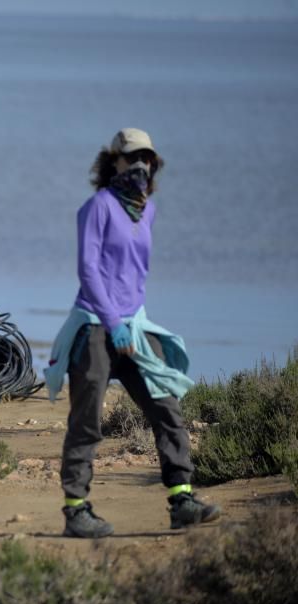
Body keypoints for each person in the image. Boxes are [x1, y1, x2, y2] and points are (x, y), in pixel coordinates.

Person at [45, 128, 221, 538]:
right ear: (114, 162)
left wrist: (132, 322)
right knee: (86, 422)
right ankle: (76, 511)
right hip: (94, 327)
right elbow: (88, 271)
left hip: (135, 328)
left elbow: (134, 275)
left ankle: (182, 500)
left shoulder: (148, 211)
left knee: (166, 408)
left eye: (148, 159)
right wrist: (112, 322)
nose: (140, 166)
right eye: (132, 158)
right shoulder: (97, 207)